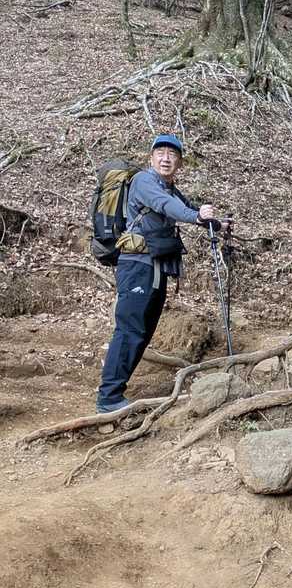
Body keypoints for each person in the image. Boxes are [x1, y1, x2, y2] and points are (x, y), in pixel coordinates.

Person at [96, 133, 216, 413]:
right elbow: (167, 206)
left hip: (156, 268)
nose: (166, 158)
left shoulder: (169, 188)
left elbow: (186, 208)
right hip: (137, 266)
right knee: (130, 329)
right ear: (150, 158)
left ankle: (114, 393)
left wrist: (217, 223)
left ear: (180, 162)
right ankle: (109, 398)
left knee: (142, 331)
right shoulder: (144, 182)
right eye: (160, 153)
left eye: (172, 154)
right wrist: (197, 216)